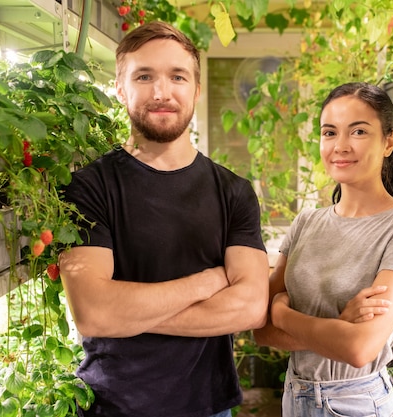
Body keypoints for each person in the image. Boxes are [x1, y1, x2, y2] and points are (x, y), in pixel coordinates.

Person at [58, 21, 270, 417]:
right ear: (120, 88)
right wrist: (208, 281)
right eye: (144, 76)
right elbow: (93, 312)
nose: (162, 92)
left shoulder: (234, 192)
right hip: (113, 406)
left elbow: (252, 307)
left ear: (196, 89)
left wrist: (127, 314)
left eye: (177, 76)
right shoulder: (87, 189)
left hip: (210, 406)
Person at [253, 82, 393, 416]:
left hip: (355, 403)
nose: (340, 146)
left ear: (389, 141)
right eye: (329, 132)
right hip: (294, 397)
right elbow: (261, 329)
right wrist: (336, 324)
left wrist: (284, 314)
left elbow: (358, 347)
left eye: (358, 131)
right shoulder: (306, 222)